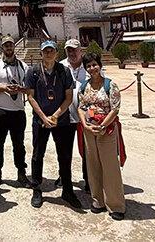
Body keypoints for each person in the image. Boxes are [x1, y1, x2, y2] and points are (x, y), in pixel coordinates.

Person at [25, 40, 80, 209]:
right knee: (37, 154)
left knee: (64, 155)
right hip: (40, 121)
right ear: (41, 53)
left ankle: (68, 190)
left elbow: (68, 97)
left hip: (61, 120)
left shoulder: (64, 71)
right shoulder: (33, 71)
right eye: (45, 51)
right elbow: (30, 96)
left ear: (57, 53)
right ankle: (36, 189)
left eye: (51, 50)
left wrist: (55, 116)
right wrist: (43, 117)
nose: (48, 53)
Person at [77, 52, 126, 220]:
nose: (92, 68)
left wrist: (103, 125)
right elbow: (81, 107)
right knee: (93, 165)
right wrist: (85, 124)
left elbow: (115, 108)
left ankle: (116, 205)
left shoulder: (110, 85)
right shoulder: (84, 86)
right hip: (90, 129)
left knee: (110, 166)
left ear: (100, 65)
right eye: (88, 66)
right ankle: (98, 200)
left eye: (94, 64)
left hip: (107, 129)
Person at [0, 35, 31, 189]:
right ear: (2, 47)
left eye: (10, 45)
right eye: (6, 45)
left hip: (18, 111)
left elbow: (30, 88)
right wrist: (3, 88)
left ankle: (21, 172)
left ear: (14, 46)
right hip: (0, 111)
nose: (9, 47)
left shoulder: (23, 66)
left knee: (19, 145)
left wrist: (20, 89)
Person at [60, 38, 89, 193]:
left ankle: (89, 178)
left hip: (87, 117)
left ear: (80, 51)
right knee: (65, 150)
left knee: (88, 150)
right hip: (66, 115)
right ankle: (64, 177)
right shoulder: (61, 66)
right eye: (68, 50)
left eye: (74, 50)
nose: (71, 53)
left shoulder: (89, 65)